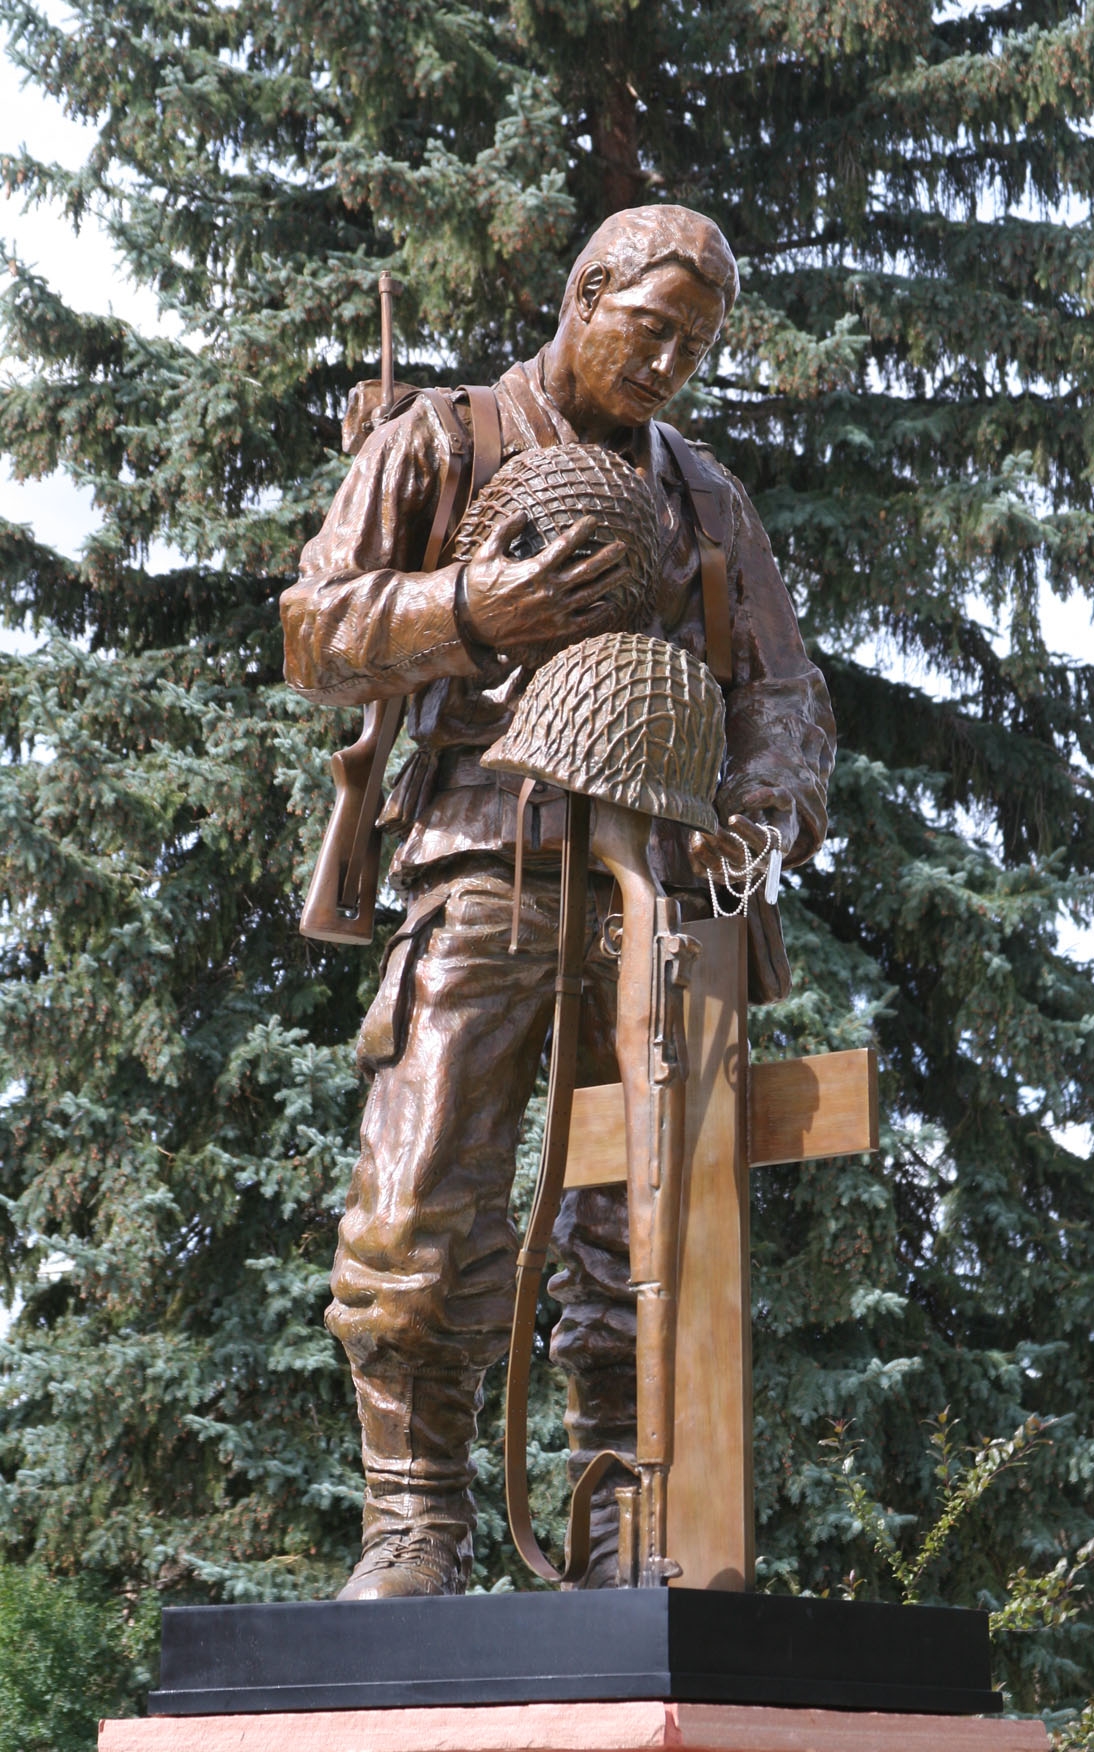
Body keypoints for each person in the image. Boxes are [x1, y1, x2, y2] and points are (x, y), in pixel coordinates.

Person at [280, 205, 836, 1599]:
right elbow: (317, 630)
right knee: (415, 1198)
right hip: (479, 861)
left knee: (640, 1221)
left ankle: (619, 1520)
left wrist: (764, 818)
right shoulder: (443, 440)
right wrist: (472, 608)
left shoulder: (705, 496)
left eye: (693, 349)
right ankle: (415, 1524)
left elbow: (783, 692)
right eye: (649, 329)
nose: (667, 366)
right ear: (584, 295)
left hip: (661, 892)